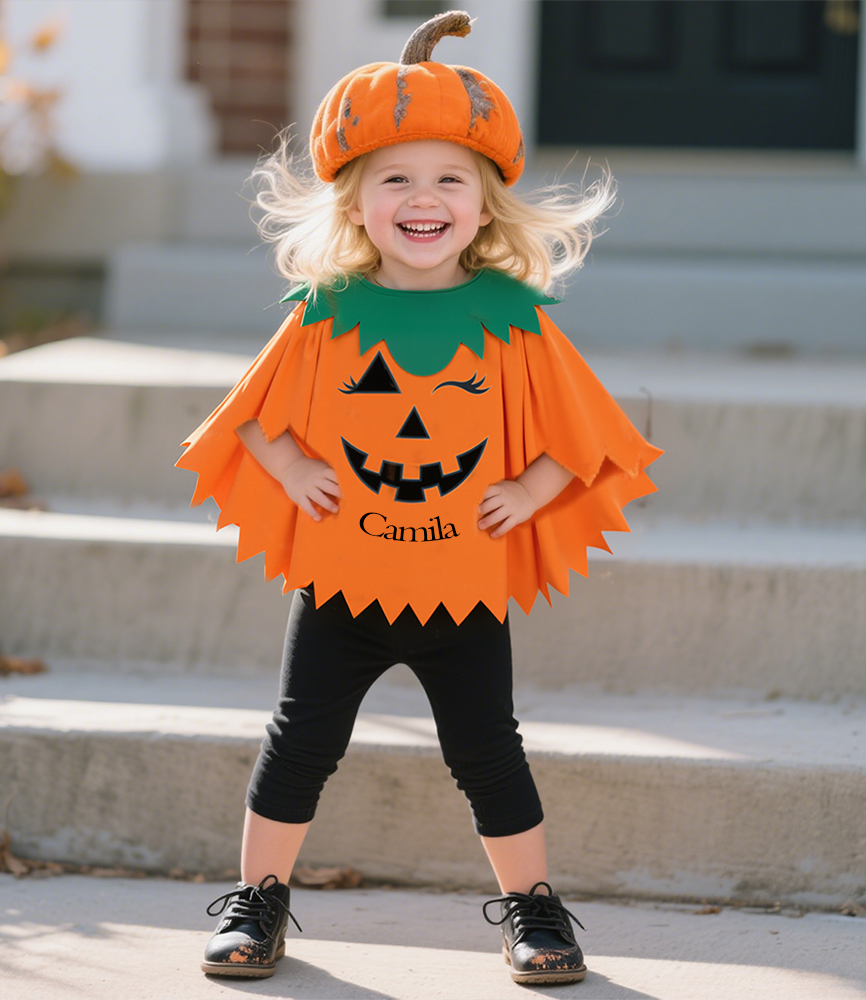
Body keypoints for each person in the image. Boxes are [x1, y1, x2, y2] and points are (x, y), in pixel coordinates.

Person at [175, 9, 663, 987]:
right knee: (300, 742)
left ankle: (533, 910)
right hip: (342, 581)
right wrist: (290, 467)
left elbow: (588, 434)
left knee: (487, 750)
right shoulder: (327, 315)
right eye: (395, 178)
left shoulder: (512, 320)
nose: (423, 198)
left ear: (484, 206)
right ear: (357, 204)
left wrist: (532, 484)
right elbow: (250, 418)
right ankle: (256, 901)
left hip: (462, 584)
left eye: (450, 179)